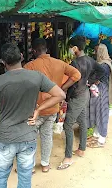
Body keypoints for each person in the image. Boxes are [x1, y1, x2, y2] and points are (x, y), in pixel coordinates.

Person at [0, 43, 65, 188]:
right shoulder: (37, 77)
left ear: (3, 62)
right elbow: (60, 95)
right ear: (21, 56)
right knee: (25, 179)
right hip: (28, 135)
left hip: (5, 136)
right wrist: (38, 110)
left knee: (0, 178)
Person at [24, 38, 81, 172]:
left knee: (30, 137)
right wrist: (61, 88)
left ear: (34, 50)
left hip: (36, 108)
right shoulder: (59, 63)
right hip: (53, 107)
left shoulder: (30, 66)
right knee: (47, 136)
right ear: (46, 50)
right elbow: (77, 75)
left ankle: (30, 166)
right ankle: (45, 165)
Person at [57, 36, 105, 170]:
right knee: (82, 120)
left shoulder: (74, 63)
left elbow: (71, 82)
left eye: (70, 47)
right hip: (85, 93)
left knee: (68, 125)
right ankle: (81, 149)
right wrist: (90, 80)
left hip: (77, 96)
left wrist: (64, 91)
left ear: (75, 48)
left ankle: (68, 157)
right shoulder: (90, 60)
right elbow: (101, 71)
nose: (70, 50)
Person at [87, 44, 112, 148]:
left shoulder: (104, 65)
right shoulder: (105, 63)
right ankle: (96, 135)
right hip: (100, 90)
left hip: (101, 92)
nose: (95, 53)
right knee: (97, 112)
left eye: (96, 51)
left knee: (102, 113)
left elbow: (97, 79)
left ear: (101, 52)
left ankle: (101, 140)